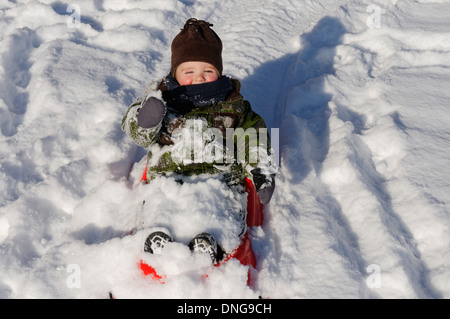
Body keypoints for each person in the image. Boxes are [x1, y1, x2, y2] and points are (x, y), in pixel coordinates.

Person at [122, 18, 276, 264]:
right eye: (189, 72)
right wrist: (146, 119)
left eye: (208, 71)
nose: (199, 78)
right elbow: (137, 133)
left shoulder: (234, 107)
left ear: (219, 73)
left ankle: (211, 245)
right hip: (168, 180)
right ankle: (157, 242)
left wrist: (262, 169)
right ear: (175, 73)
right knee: (161, 206)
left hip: (220, 182)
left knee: (218, 210)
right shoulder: (161, 102)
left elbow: (254, 137)